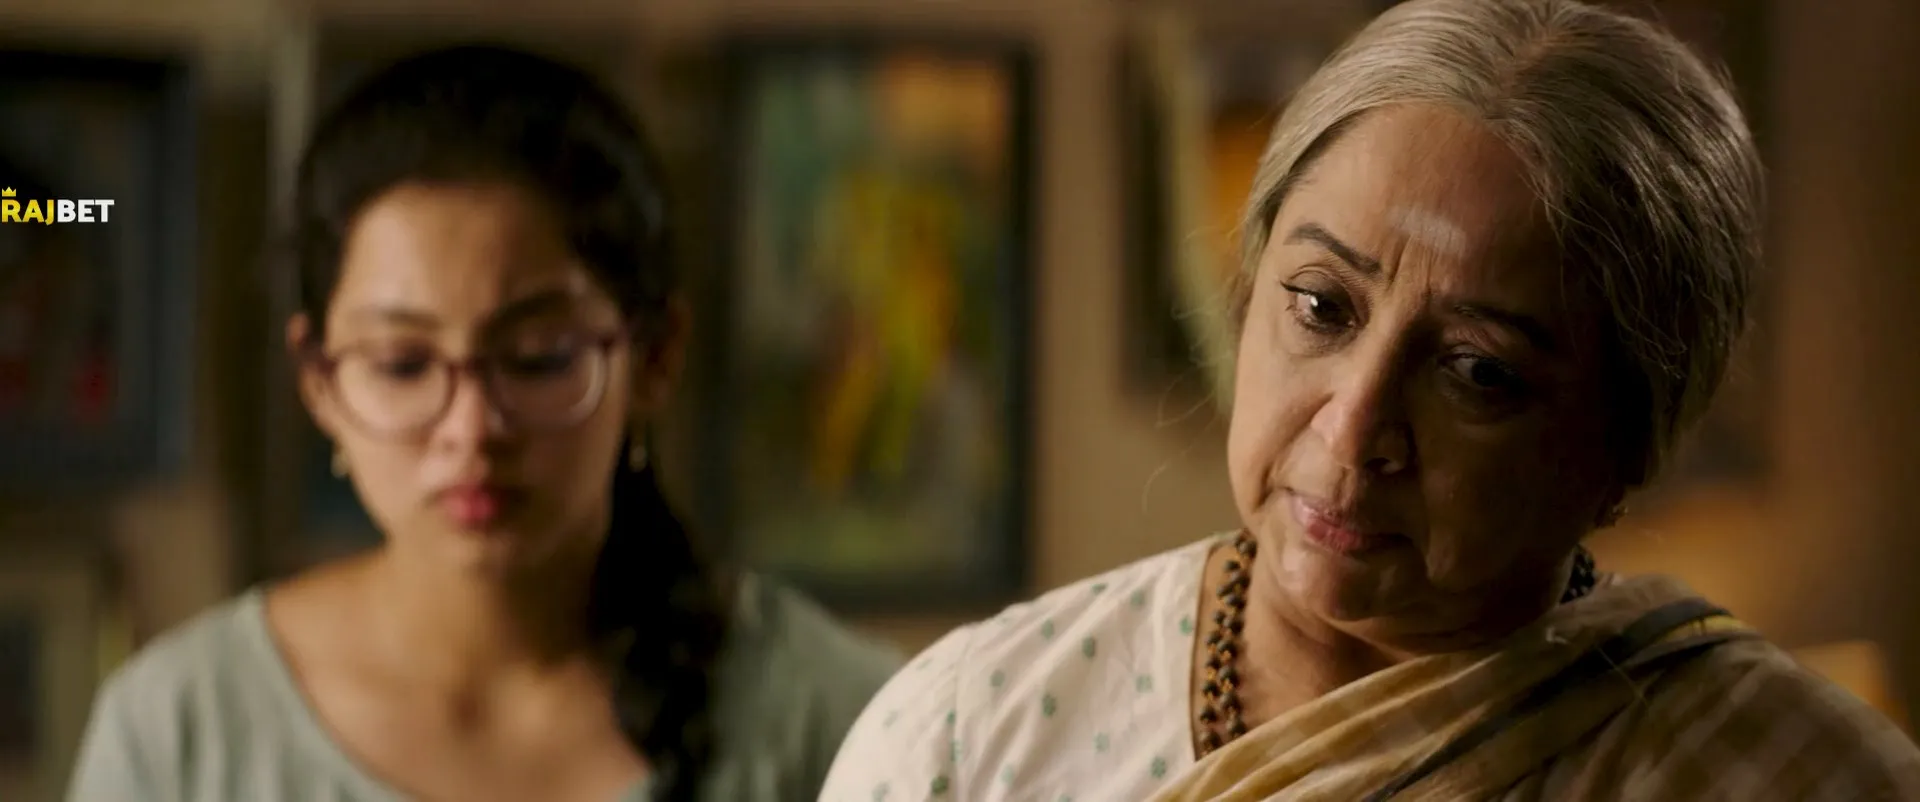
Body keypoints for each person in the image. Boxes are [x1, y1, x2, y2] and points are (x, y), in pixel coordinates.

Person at [818, 1, 1920, 800]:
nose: (1353, 429)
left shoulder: (1788, 776)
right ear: (1248, 286)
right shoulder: (972, 732)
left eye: (1478, 372)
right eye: (1321, 306)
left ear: (1625, 446)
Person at [68, 44, 901, 802]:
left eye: (538, 358)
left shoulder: (849, 720)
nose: (470, 429)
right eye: (403, 364)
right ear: (318, 382)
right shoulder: (183, 730)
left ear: (654, 357)